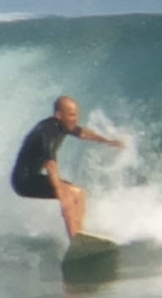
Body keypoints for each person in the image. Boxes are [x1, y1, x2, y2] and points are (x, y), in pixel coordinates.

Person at [11, 95, 125, 238]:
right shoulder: (49, 130)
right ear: (59, 114)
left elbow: (82, 133)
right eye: (71, 114)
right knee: (70, 195)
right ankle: (75, 238)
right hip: (24, 181)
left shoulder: (63, 125)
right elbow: (50, 164)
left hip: (33, 177)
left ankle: (80, 235)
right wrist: (60, 192)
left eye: (76, 114)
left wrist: (108, 141)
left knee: (80, 193)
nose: (75, 118)